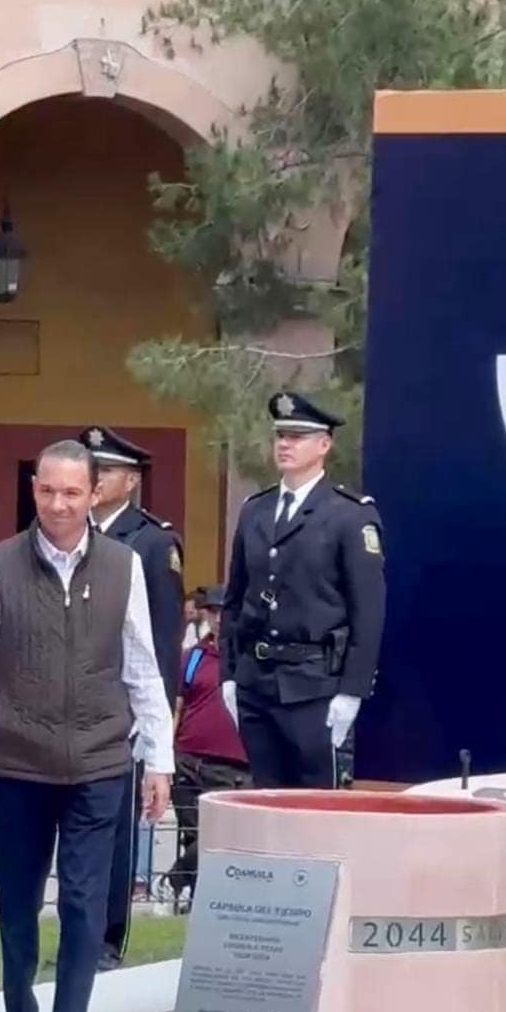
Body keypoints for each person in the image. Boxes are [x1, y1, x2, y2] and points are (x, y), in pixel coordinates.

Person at [0, 439, 173, 1012]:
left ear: (94, 491)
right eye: (47, 491)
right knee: (17, 908)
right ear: (34, 489)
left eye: (72, 492)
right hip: (16, 763)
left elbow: (142, 666)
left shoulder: (125, 566)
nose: (59, 505)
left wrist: (157, 755)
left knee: (82, 906)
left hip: (100, 763)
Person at [221, 392, 386, 789]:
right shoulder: (255, 510)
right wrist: (228, 674)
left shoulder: (349, 513)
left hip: (315, 685)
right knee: (265, 801)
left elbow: (369, 611)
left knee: (314, 810)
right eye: (281, 435)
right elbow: (235, 598)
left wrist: (352, 691)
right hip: (256, 682)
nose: (285, 444)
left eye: (298, 436)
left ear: (324, 445)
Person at [78, 425, 183, 971]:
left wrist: (155, 716)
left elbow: (164, 639)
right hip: (73, 700)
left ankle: (107, 937)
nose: (95, 481)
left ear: (131, 481)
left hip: (124, 704)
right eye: (90, 468)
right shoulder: (67, 531)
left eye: (107, 471)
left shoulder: (152, 541)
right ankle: (77, 930)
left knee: (115, 828)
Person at [169, 585, 249, 906]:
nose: (219, 619)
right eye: (214, 612)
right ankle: (198, 898)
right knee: (195, 833)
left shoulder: (248, 657)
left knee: (222, 835)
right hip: (188, 758)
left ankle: (176, 878)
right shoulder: (194, 657)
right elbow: (178, 705)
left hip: (233, 764)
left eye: (225, 613)